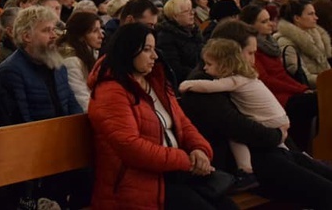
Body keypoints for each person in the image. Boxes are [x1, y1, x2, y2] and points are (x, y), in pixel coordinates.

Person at [180, 19, 332, 208]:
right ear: (231, 53)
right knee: (325, 191)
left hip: (263, 150)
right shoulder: (203, 84)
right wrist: (277, 135)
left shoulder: (233, 76)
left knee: (322, 173)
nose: (253, 60)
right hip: (239, 164)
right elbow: (236, 126)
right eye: (250, 53)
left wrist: (292, 148)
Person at [87, 23, 236, 209]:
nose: (155, 56)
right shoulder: (110, 91)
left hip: (172, 175)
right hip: (136, 184)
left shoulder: (155, 81)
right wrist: (184, 160)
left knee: (228, 206)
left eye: (154, 49)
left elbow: (183, 123)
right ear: (128, 51)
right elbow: (130, 147)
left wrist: (199, 149)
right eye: (147, 50)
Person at [179, 39, 289, 185]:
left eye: (209, 64)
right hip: (278, 117)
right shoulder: (248, 76)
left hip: (268, 119)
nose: (204, 68)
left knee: (237, 135)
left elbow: (210, 87)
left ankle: (245, 170)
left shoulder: (236, 79)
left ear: (225, 65)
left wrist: (187, 84)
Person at [239, 5, 317, 152]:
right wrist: (300, 90)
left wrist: (303, 89)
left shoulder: (270, 44)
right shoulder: (253, 49)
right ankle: (307, 148)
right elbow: (266, 80)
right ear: (251, 26)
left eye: (270, 20)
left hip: (286, 92)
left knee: (317, 99)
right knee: (315, 101)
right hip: (276, 97)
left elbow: (282, 75)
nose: (271, 24)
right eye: (264, 21)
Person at [0, 5, 82, 123]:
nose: (53, 35)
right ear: (27, 36)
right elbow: (22, 120)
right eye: (46, 30)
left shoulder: (58, 65)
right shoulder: (11, 70)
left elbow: (73, 106)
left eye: (53, 29)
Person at [274, 0, 332, 88]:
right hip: (312, 90)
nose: (316, 18)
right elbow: (302, 77)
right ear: (297, 18)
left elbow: (325, 67)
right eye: (310, 14)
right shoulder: (286, 42)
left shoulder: (316, 36)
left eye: (315, 13)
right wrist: (327, 81)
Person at [58, 11, 103, 111]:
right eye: (95, 31)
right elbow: (82, 100)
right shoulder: (72, 62)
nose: (101, 35)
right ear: (81, 36)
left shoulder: (91, 53)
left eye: (100, 30)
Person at [157, 0, 204, 88]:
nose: (192, 13)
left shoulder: (194, 31)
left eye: (191, 9)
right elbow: (175, 68)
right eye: (187, 11)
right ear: (175, 16)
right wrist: (201, 75)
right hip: (183, 83)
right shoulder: (165, 36)